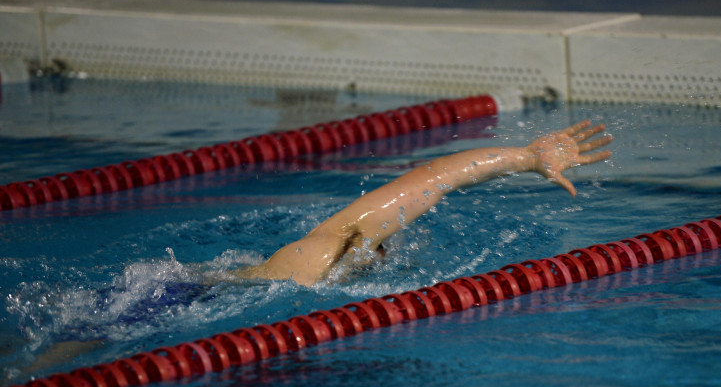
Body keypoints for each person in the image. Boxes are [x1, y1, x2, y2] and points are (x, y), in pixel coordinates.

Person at [233, 120, 612, 286]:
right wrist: (525, 159)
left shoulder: (327, 264)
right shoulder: (314, 256)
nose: (388, 242)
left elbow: (433, 181)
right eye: (382, 240)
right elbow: (432, 180)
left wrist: (528, 159)